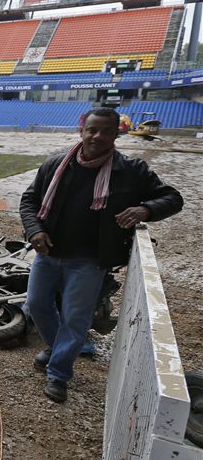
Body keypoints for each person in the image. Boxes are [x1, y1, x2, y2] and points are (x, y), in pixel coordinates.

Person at [19, 107, 182, 404]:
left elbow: (173, 198)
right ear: (81, 131)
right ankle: (58, 347)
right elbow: (29, 200)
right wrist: (34, 231)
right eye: (92, 130)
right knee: (36, 305)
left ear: (116, 134)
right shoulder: (56, 164)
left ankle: (59, 374)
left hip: (90, 260)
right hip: (48, 252)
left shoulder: (131, 171)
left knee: (75, 318)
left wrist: (145, 209)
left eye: (106, 131)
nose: (97, 136)